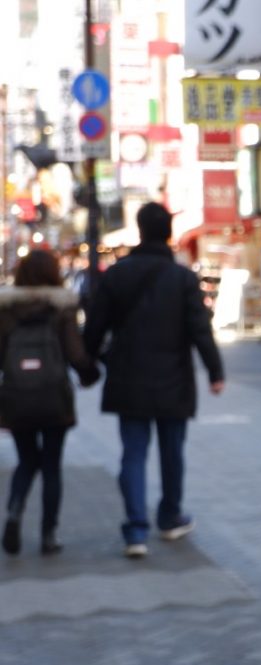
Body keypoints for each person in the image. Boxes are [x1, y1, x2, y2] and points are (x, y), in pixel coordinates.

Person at [83, 201, 225, 559]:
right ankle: (170, 516)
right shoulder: (181, 277)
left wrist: (89, 363)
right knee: (171, 451)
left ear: (140, 230)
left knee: (133, 454)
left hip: (128, 377)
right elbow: (199, 329)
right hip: (173, 379)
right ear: (168, 233)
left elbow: (95, 327)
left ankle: (135, 531)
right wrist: (215, 372)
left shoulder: (117, 274)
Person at [0, 249, 100, 555]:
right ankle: (48, 535)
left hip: (17, 396)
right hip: (54, 396)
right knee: (52, 465)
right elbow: (75, 354)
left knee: (27, 460)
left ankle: (15, 512)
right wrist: (89, 373)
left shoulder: (6, 309)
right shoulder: (62, 307)